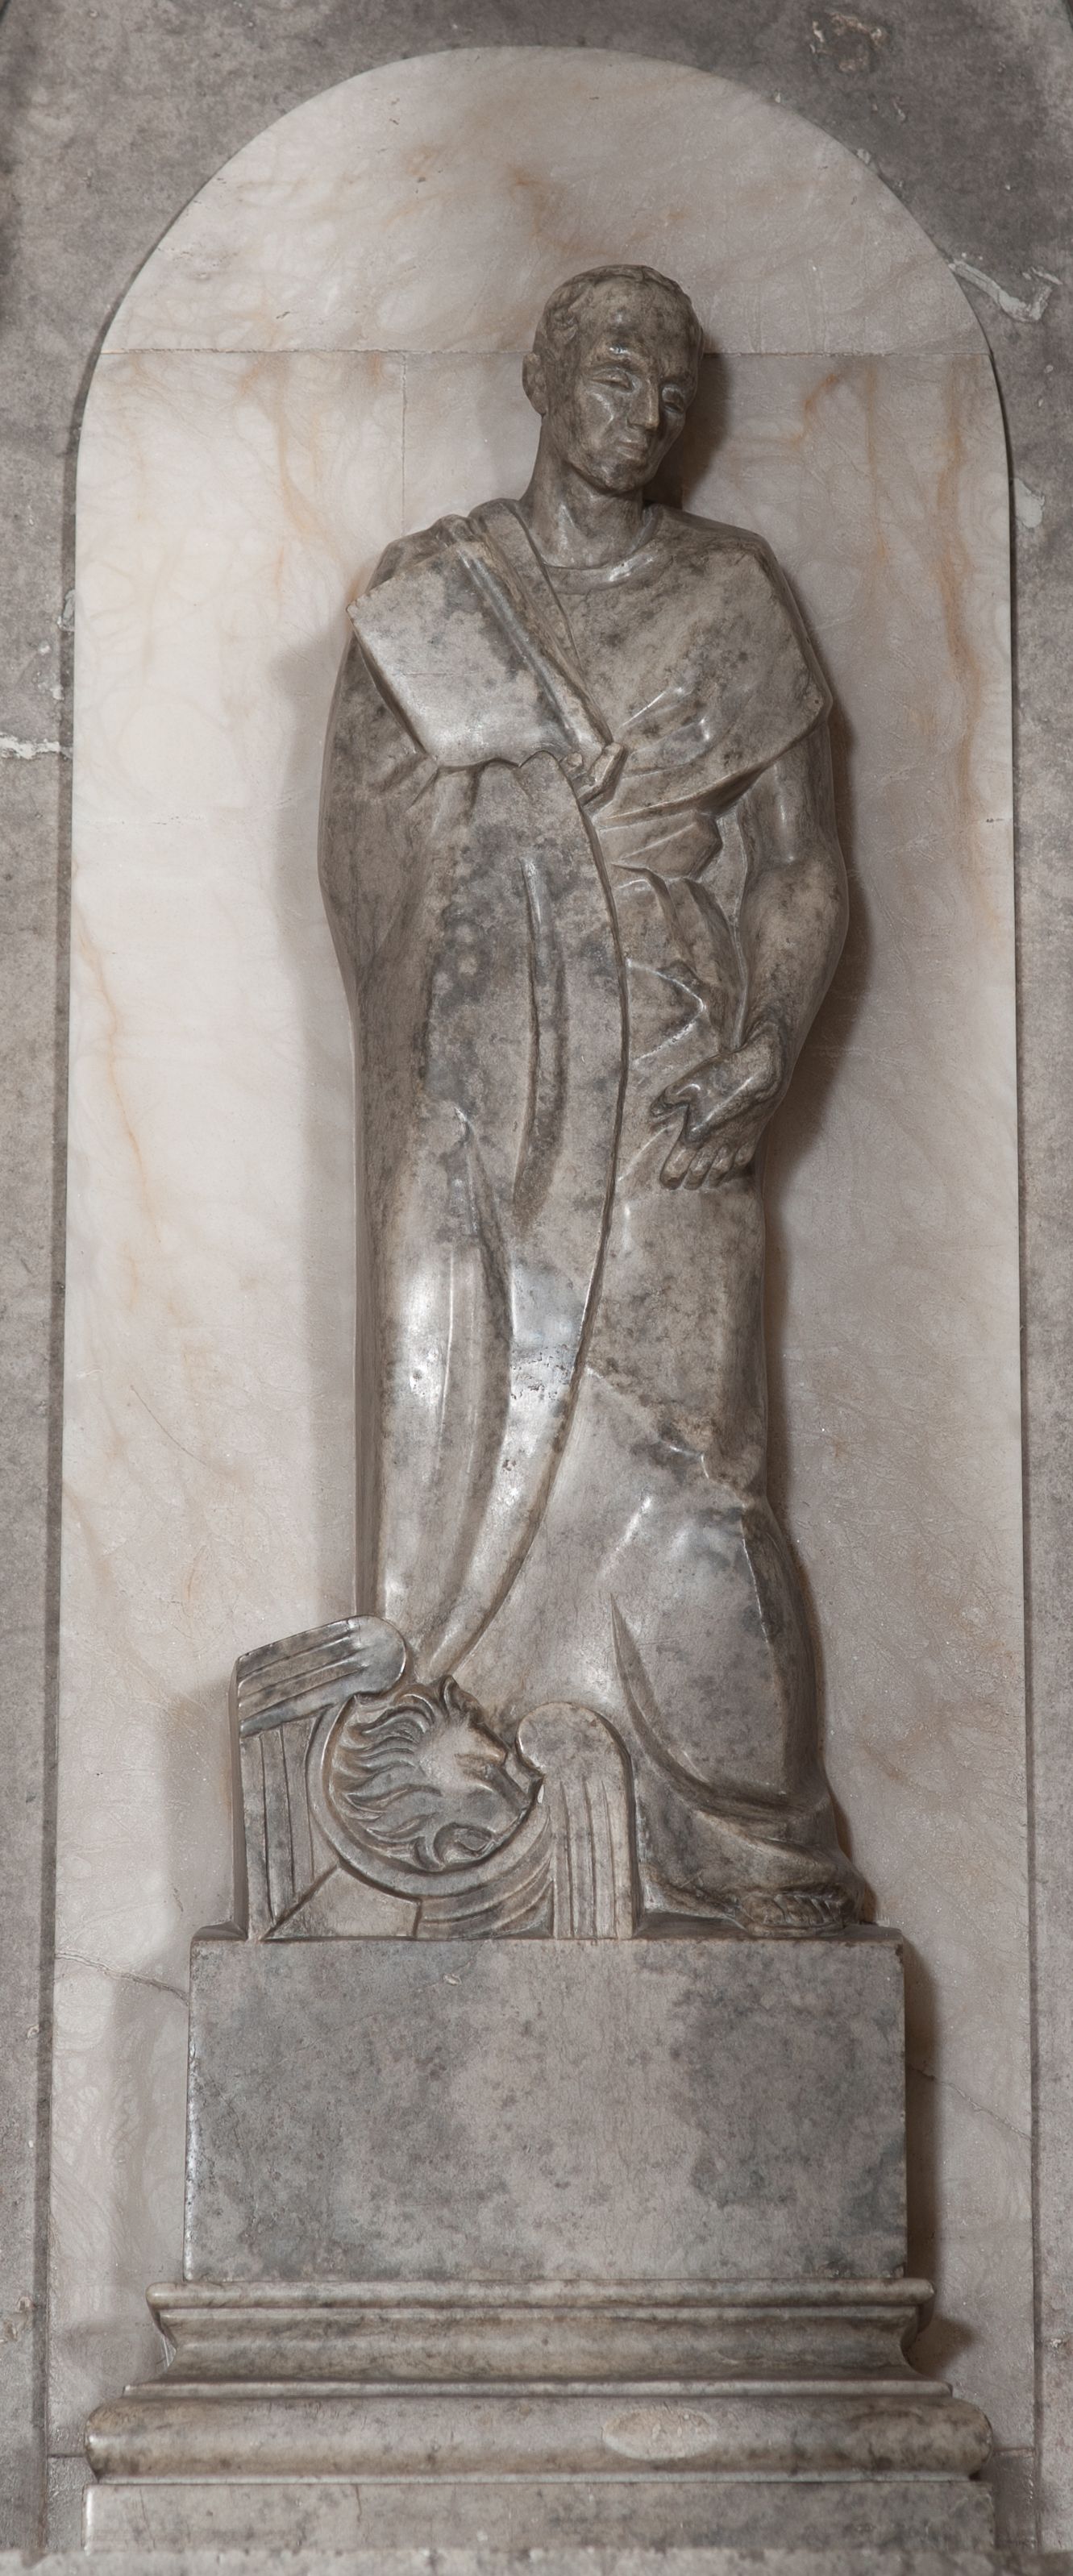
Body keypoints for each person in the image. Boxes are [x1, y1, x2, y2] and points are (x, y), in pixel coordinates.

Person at [319, 263, 866, 1934]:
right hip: (484, 1103)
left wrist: (770, 1041)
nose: (648, 407)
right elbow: (361, 863)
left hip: (677, 1092)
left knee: (700, 1467)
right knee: (472, 1413)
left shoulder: (732, 595)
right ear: (545, 378)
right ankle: (465, 1831)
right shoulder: (439, 596)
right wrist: (505, 858)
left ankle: (740, 1844)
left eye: (674, 384)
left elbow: (804, 863)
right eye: (618, 369)